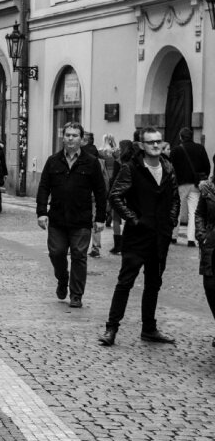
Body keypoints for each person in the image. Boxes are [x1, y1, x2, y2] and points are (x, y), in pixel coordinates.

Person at [98, 126, 180, 347]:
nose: (155, 145)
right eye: (150, 142)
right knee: (125, 282)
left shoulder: (168, 167)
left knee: (154, 283)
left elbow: (174, 198)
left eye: (158, 141)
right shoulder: (131, 168)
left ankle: (149, 329)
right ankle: (111, 328)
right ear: (142, 145)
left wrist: (170, 221)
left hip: (160, 236)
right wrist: (134, 219)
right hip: (137, 236)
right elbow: (115, 196)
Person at [36, 122, 107, 308]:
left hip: (81, 219)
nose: (70, 138)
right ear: (63, 137)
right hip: (58, 218)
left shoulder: (91, 162)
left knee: (79, 256)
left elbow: (100, 191)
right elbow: (44, 187)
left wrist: (100, 217)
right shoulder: (53, 161)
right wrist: (41, 212)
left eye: (75, 135)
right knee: (56, 253)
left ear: (81, 139)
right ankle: (62, 278)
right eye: (67, 134)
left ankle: (76, 294)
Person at [170, 127, 210, 247]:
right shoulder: (200, 148)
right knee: (193, 212)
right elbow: (207, 166)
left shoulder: (176, 150)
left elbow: (171, 168)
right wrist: (203, 178)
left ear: (181, 137)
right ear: (192, 137)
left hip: (180, 184)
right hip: (195, 184)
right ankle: (191, 239)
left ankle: (173, 236)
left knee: (176, 209)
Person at [195, 159, 215, 346]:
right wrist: (201, 233)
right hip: (211, 243)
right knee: (210, 286)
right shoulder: (207, 189)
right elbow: (200, 213)